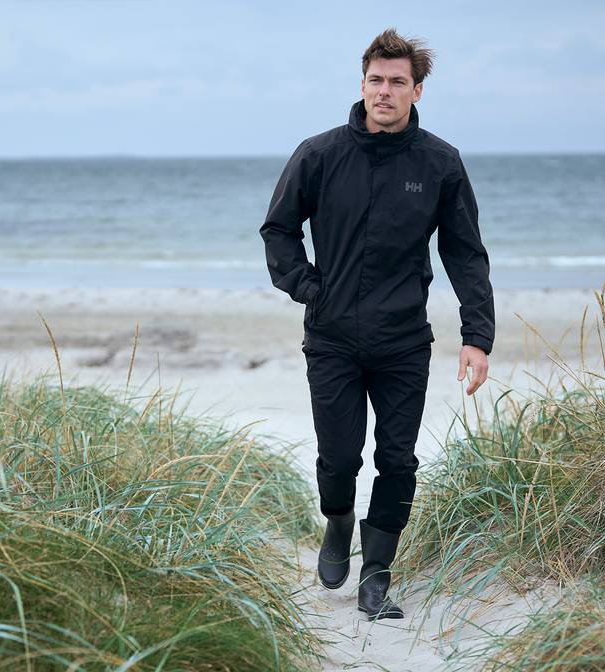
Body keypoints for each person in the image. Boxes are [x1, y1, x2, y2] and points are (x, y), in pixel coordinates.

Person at [259, 27, 495, 622]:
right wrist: (311, 289)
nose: (384, 92)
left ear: (417, 92)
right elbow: (279, 231)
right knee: (339, 458)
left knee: (398, 460)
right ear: (362, 84)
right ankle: (338, 526)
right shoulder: (319, 154)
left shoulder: (440, 163)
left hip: (403, 342)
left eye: (397, 82)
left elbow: (464, 252)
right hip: (332, 338)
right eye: (375, 80)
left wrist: (477, 336)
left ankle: (377, 575)